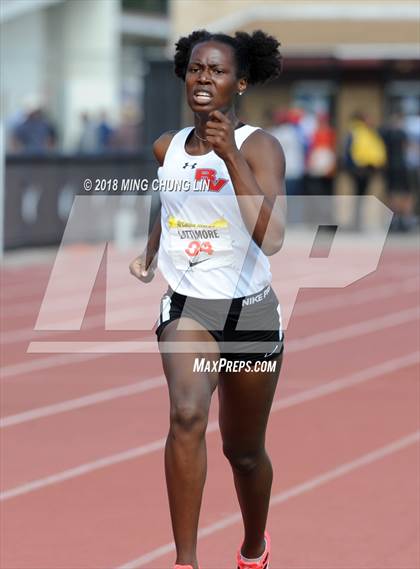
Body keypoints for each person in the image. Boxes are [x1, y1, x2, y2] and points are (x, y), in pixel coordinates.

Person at [129, 29, 285, 569]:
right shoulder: (166, 147)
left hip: (251, 313)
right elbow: (172, 199)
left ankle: (252, 546)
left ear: (239, 82)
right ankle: (186, 561)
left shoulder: (261, 146)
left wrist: (229, 157)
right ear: (184, 75)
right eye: (196, 69)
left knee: (243, 452)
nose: (204, 78)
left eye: (217, 71)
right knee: (187, 414)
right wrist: (151, 252)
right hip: (189, 308)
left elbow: (273, 236)